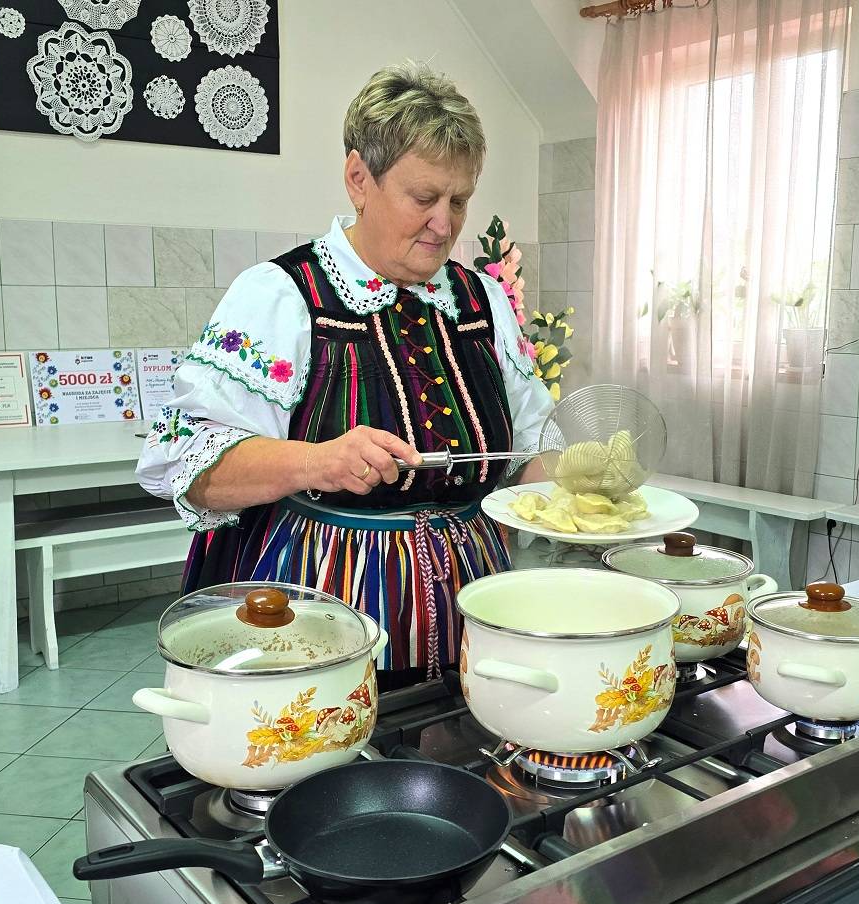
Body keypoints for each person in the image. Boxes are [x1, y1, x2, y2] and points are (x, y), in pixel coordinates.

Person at [138, 61, 552, 689]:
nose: (445, 224)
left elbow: (528, 450)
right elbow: (184, 463)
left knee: (465, 744)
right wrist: (318, 461)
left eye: (459, 200)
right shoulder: (283, 295)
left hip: (477, 608)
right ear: (359, 178)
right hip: (321, 619)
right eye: (423, 199)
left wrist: (585, 482)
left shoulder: (481, 301)